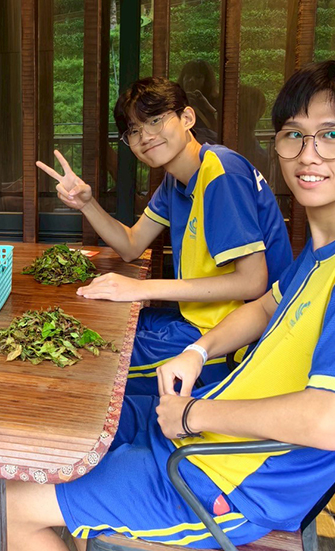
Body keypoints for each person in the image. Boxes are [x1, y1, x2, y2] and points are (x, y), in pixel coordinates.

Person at [8, 60, 335, 550]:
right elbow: (264, 305)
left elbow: (328, 419)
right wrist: (197, 352)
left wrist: (193, 413)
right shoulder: (331, 246)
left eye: (332, 136)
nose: (308, 154)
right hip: (213, 426)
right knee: (83, 415)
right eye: (294, 136)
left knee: (13, 504)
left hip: (230, 479)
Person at [37, 77, 292, 395]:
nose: (145, 136)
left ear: (187, 118)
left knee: (84, 364)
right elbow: (131, 245)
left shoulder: (221, 174)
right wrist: (86, 204)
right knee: (89, 326)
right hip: (195, 318)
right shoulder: (176, 181)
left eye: (155, 120)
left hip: (235, 342)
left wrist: (140, 288)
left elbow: (253, 281)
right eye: (134, 130)